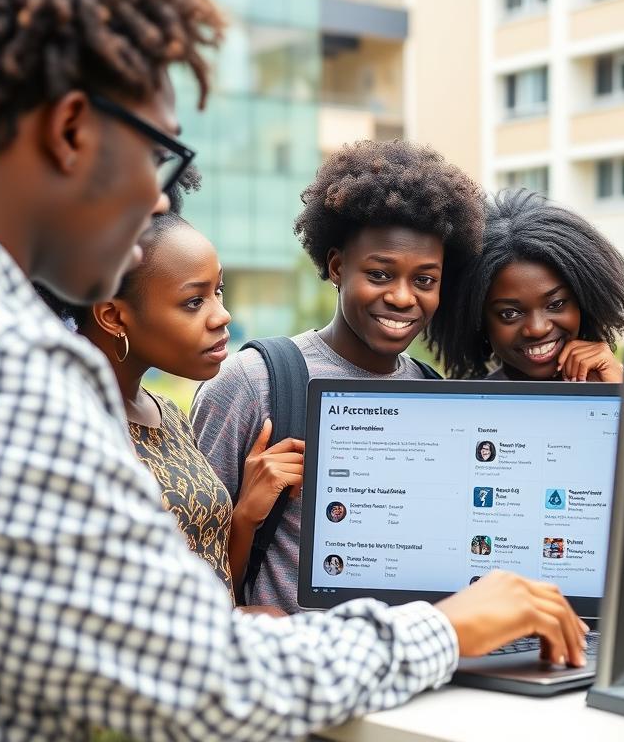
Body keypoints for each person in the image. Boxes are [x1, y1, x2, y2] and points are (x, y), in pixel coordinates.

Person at [0, 0, 587, 740]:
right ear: (73, 130)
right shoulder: (13, 367)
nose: (164, 202)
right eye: (159, 154)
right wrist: (450, 629)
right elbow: (202, 679)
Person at [193, 139, 490, 611]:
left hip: (417, 667)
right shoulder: (254, 382)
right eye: (379, 274)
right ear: (336, 266)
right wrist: (245, 519)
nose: (402, 297)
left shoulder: (435, 395)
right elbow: (186, 570)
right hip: (293, 671)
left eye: (425, 280)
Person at [38, 170, 304, 607]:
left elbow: (212, 583)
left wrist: (245, 518)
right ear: (113, 316)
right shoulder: (66, 424)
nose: (223, 317)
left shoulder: (170, 417)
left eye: (219, 291)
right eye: (194, 301)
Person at [430, 188, 624, 381]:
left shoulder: (616, 382)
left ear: (585, 302)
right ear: (478, 321)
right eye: (509, 313)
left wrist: (618, 392)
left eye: (556, 304)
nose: (537, 329)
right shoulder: (467, 410)